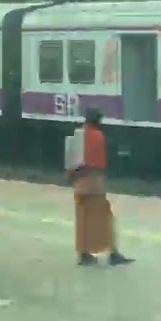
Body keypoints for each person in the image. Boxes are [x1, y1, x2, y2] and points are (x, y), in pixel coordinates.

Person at [64, 108, 133, 267]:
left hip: (79, 185)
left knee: (83, 220)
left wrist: (75, 178)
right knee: (106, 219)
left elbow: (69, 167)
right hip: (94, 185)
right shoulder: (98, 136)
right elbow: (98, 164)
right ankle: (113, 253)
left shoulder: (76, 135)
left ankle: (84, 255)